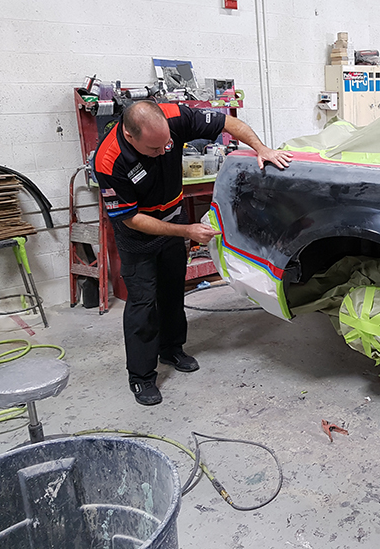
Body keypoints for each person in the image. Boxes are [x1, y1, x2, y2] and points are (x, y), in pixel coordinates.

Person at [93, 100, 293, 405]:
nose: (163, 152)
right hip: (138, 235)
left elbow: (228, 123)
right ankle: (141, 377)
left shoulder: (176, 117)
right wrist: (187, 231)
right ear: (130, 136)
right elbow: (131, 218)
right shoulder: (109, 160)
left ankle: (171, 349)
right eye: (154, 149)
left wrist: (261, 148)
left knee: (173, 290)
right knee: (143, 303)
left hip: (173, 218)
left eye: (167, 145)